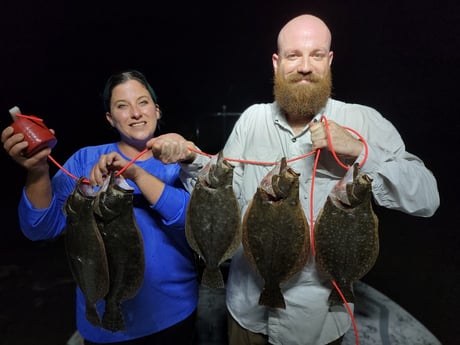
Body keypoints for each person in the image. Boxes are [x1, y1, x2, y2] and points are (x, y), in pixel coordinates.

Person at [148, 14, 440, 345]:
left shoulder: (361, 119)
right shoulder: (252, 119)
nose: (304, 66)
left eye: (316, 55)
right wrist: (189, 156)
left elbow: (427, 197)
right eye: (293, 55)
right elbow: (221, 185)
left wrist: (359, 150)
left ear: (329, 61)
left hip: (318, 322)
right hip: (247, 314)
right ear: (276, 63)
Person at [1, 70, 199, 344]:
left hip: (174, 313)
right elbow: (39, 228)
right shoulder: (84, 160)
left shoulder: (182, 156)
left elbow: (195, 221)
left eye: (142, 102)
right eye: (122, 106)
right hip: (103, 324)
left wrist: (137, 175)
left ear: (157, 110)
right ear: (110, 118)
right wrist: (37, 171)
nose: (135, 113)